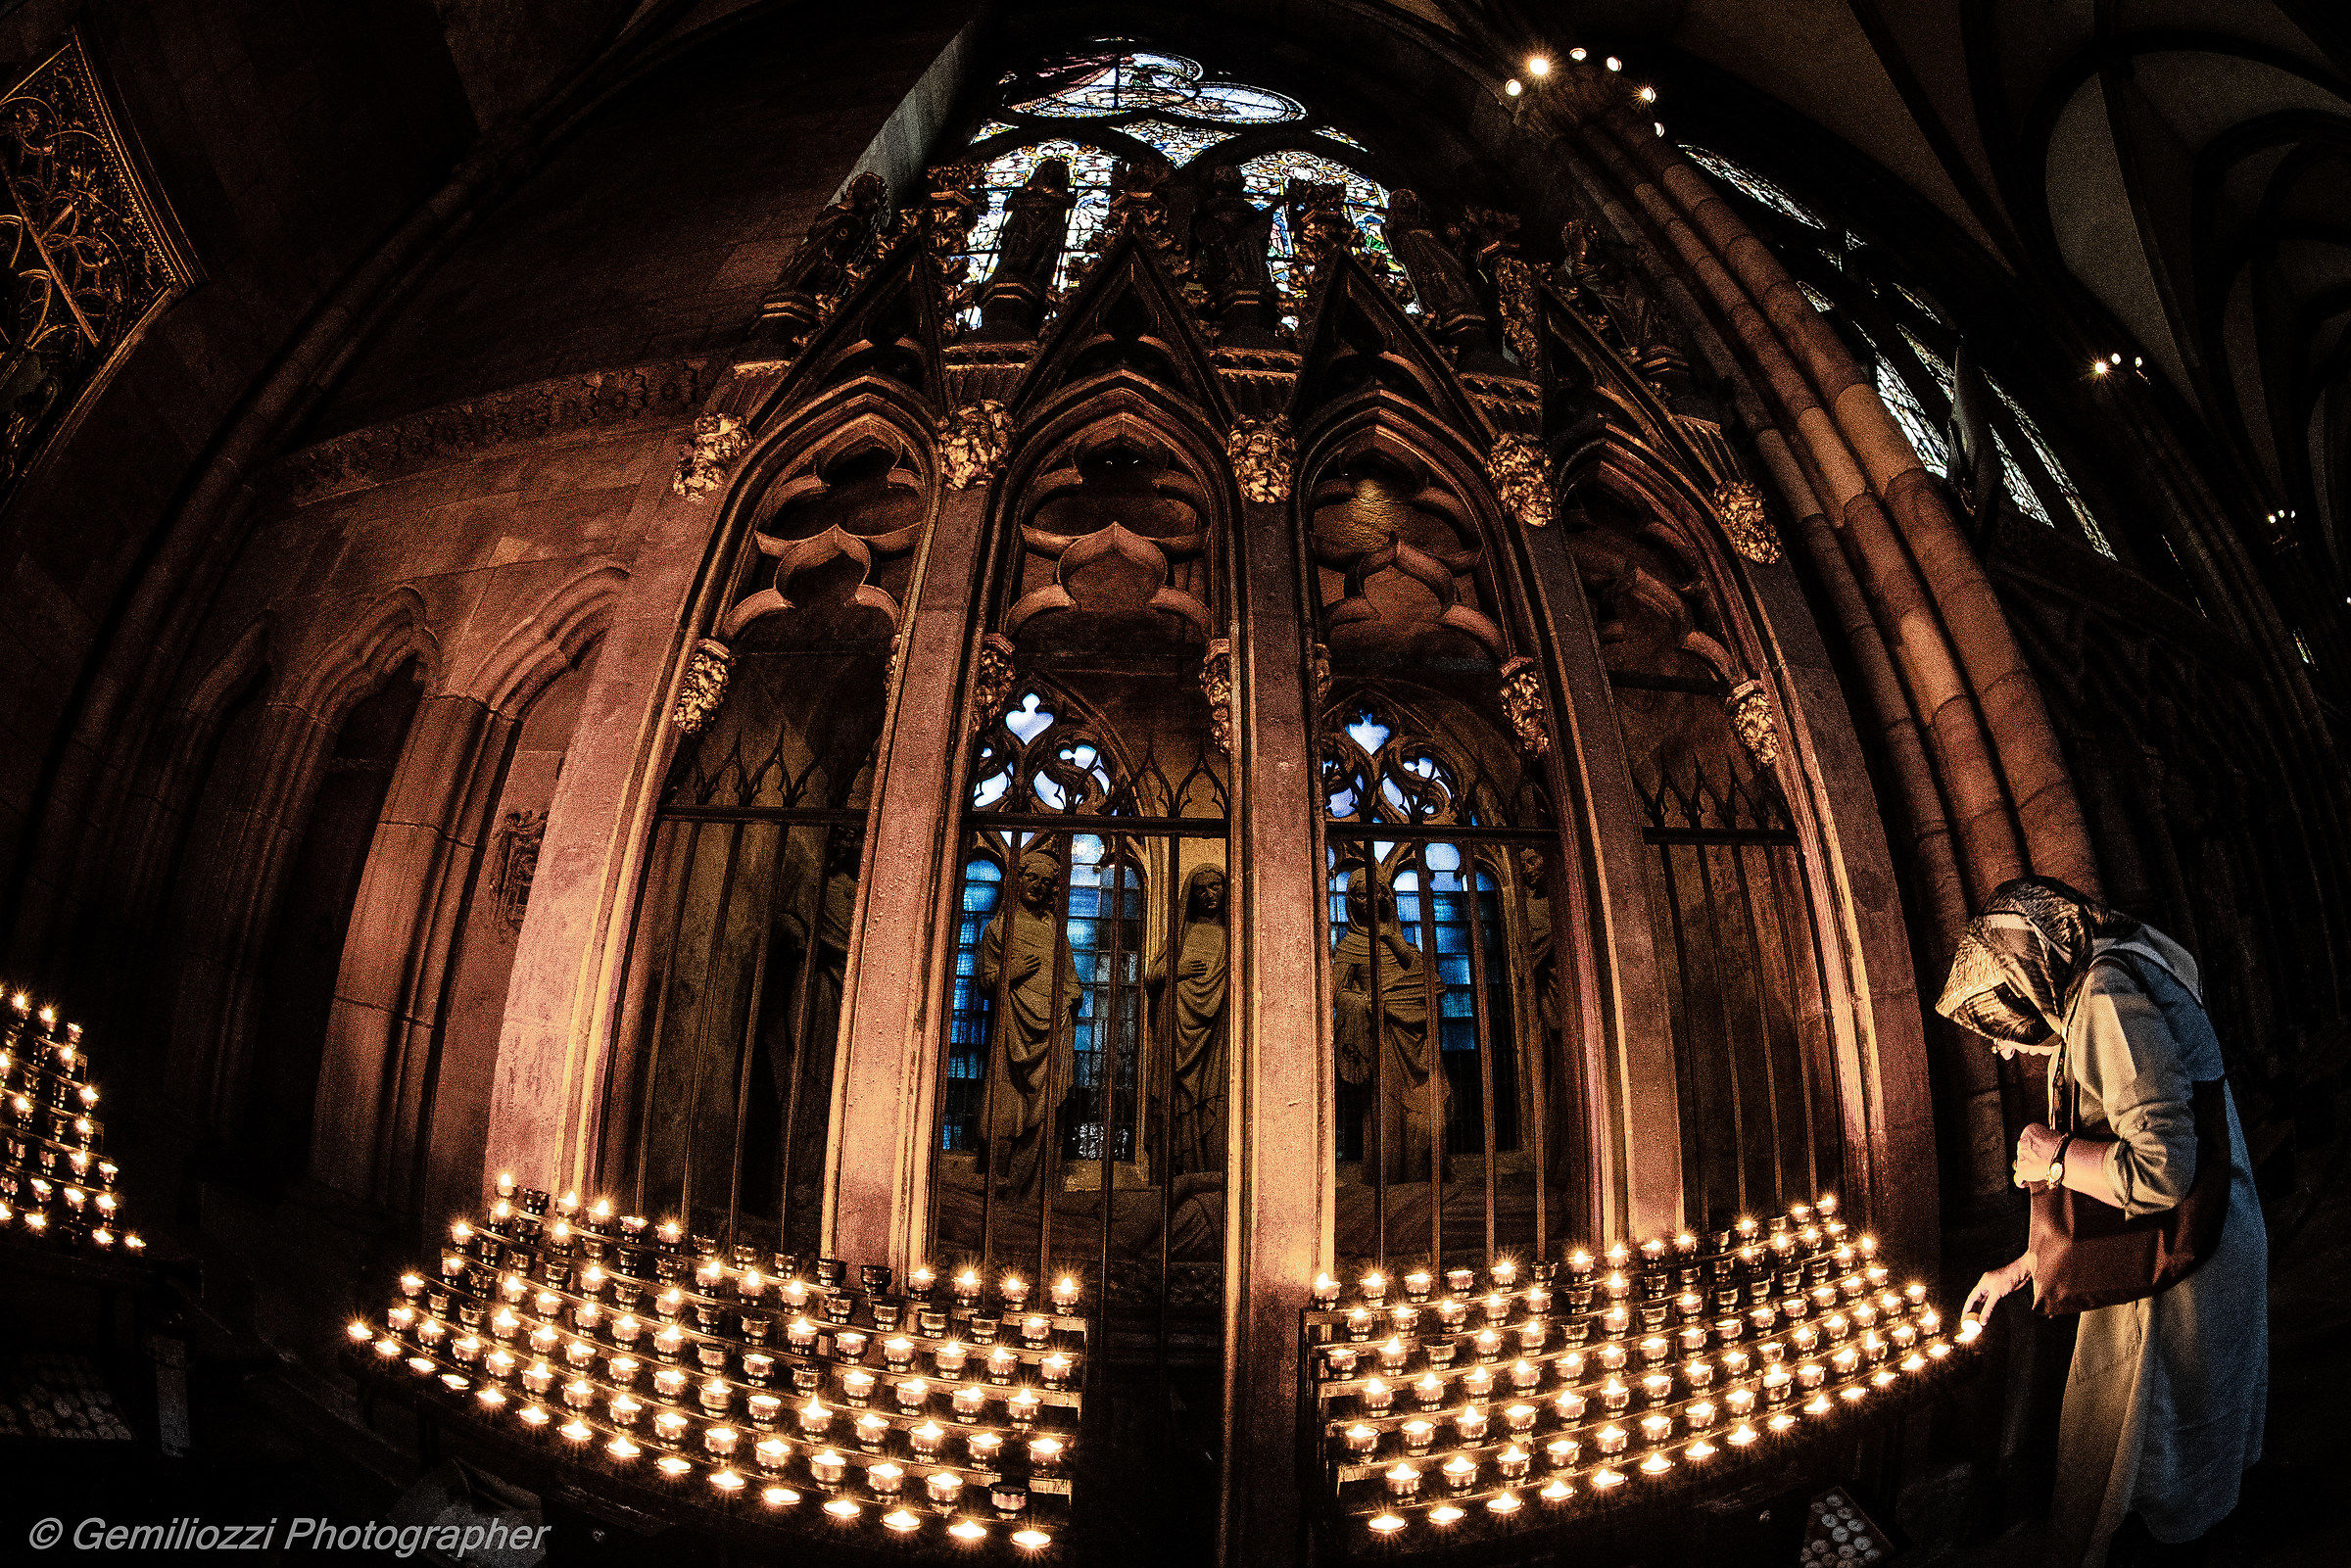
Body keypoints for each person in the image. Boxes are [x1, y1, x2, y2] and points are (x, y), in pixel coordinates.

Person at [1937, 878, 2266, 1567]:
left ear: (2027, 969)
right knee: (2176, 1476)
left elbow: (2161, 1170)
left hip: (2184, 1278)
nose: (2003, 1044)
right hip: (2206, 1250)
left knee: (2154, 1486)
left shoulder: (2105, 996)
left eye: (2000, 1013)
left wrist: (2050, 1154)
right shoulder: (2124, 965)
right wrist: (2022, 1266)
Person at [977, 847, 1080, 1196]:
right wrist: (1009, 972)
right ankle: (999, 1188)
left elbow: (1072, 984)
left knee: (1047, 1109)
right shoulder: (998, 929)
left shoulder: (1056, 933)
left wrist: (1066, 1000)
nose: (1037, 886)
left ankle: (1036, 1192)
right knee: (1006, 1106)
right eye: (1031, 877)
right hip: (1012, 1032)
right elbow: (985, 981)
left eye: (1046, 882)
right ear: (1017, 882)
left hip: (1055, 1031)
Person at [1333, 869, 1444, 1184]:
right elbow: (1336, 993)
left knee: (1426, 1105)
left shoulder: (1400, 941)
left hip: (1415, 1033)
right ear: (1351, 901)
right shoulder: (1349, 946)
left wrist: (1394, 940)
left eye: (1377, 892)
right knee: (1387, 1105)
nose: (1371, 900)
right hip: (1380, 1034)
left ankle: (1424, 1174)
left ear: (1387, 895)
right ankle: (1390, 1174)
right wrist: (1364, 1002)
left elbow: (1429, 979)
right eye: (1361, 894)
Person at [1146, 863, 1228, 1177]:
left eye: (1215, 887)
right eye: (1200, 889)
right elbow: (1152, 976)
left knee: (1215, 1100)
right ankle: (1173, 1176)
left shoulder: (1232, 937)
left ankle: (1212, 1175)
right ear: (1191, 895)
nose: (1208, 895)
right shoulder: (1183, 933)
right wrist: (1175, 971)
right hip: (1177, 1029)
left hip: (1216, 1034)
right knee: (1175, 1101)